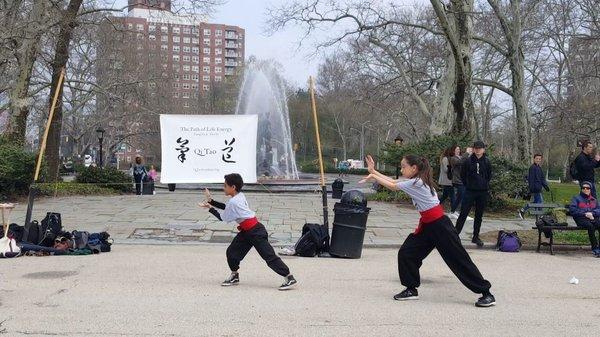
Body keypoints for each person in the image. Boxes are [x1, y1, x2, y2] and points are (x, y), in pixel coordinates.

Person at [360, 155, 495, 307]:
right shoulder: (416, 180)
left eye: (403, 166)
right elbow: (394, 181)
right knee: (407, 253)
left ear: (414, 168)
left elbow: (392, 185)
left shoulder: (416, 182)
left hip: (440, 226)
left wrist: (373, 175)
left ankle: (486, 293)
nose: (402, 169)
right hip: (428, 225)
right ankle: (411, 289)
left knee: (459, 259)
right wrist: (373, 171)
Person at [199, 173, 298, 290]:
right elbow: (228, 208)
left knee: (268, 256)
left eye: (225, 185)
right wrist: (211, 201)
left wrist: (210, 208)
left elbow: (223, 217)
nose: (223, 188)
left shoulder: (234, 201)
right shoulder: (239, 196)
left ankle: (289, 277)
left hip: (255, 232)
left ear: (233, 187)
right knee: (231, 252)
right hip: (248, 231)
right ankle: (234, 276)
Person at [455, 141, 492, 247]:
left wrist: (484, 184)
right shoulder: (468, 161)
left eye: (480, 148)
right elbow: (463, 174)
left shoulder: (487, 161)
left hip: (482, 191)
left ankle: (476, 236)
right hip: (470, 191)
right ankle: (455, 235)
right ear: (473, 149)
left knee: (479, 215)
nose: (478, 150)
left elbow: (489, 175)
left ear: (483, 149)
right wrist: (468, 184)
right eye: (476, 148)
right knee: (463, 213)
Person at [568, 181, 600, 257]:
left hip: (592, 218)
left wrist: (592, 214)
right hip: (581, 219)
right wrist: (585, 213)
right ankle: (595, 248)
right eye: (583, 188)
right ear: (581, 189)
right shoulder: (576, 198)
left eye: (588, 188)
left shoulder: (594, 200)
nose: (585, 189)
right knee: (591, 227)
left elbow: (598, 209)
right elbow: (573, 210)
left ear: (590, 189)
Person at [518, 154, 550, 219]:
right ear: (534, 159)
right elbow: (531, 179)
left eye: (539, 159)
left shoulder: (539, 168)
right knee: (540, 202)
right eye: (537, 158)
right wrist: (531, 189)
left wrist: (546, 186)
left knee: (536, 202)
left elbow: (542, 178)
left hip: (539, 188)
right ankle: (541, 216)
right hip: (535, 188)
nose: (538, 160)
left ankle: (522, 210)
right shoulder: (532, 168)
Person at [449, 146, 470, 220]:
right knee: (461, 196)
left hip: (463, 180)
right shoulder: (453, 158)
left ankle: (458, 212)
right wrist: (467, 153)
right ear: (453, 151)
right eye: (456, 149)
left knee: (462, 197)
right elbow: (460, 162)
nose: (458, 150)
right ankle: (453, 212)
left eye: (459, 149)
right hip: (457, 180)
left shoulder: (461, 157)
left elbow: (466, 162)